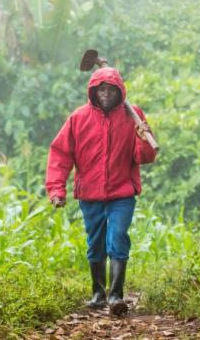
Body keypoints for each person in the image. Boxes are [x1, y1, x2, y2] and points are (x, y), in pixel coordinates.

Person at [45, 66, 157, 316]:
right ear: (93, 92)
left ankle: (116, 296)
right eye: (102, 89)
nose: (106, 94)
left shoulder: (133, 115)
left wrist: (143, 138)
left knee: (117, 237)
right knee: (95, 243)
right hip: (90, 195)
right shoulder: (78, 118)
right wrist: (56, 189)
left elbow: (145, 157)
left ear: (120, 92)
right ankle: (98, 293)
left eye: (111, 90)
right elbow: (60, 154)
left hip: (122, 193)